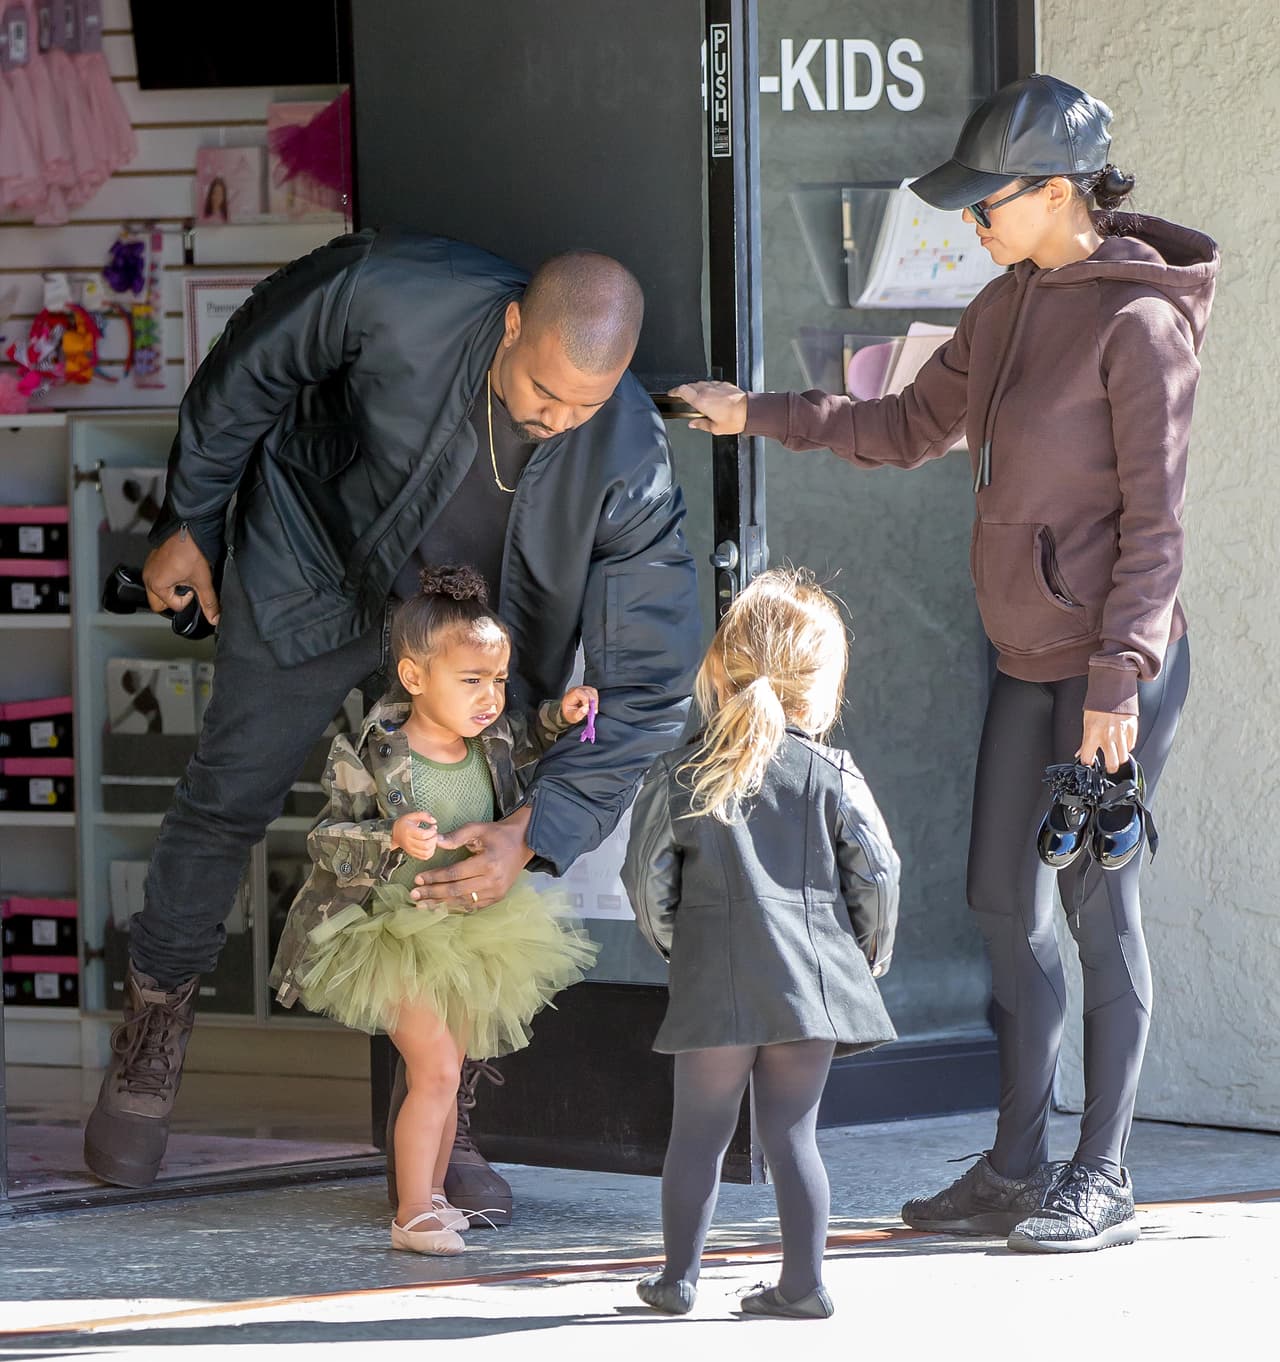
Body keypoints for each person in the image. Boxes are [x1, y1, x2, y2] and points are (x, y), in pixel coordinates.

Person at [673, 74, 1217, 1254]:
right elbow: (904, 428)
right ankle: (1016, 1163)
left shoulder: (1140, 325)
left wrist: (1117, 681)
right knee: (996, 903)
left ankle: (1103, 1172)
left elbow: (1156, 532)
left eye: (987, 203)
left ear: (1059, 192)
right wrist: (754, 414)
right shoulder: (1010, 303)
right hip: (1027, 657)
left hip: (1110, 671)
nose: (970, 224)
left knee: (1092, 904)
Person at [83, 234, 703, 1222]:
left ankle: (440, 1103)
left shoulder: (627, 456)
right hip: (313, 558)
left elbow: (650, 675)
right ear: (512, 326)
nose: (555, 421)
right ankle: (155, 1023)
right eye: (543, 392)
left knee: (459, 828)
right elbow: (252, 365)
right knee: (229, 791)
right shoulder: (393, 295)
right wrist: (191, 518)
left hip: (468, 639)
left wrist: (538, 830)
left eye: (584, 405)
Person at [271, 565, 599, 1254]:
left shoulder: (492, 739)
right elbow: (326, 838)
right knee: (438, 1070)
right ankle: (411, 1211)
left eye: (499, 680)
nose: (490, 698)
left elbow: (526, 738)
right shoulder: (376, 751)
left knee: (451, 1071)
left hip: (470, 928)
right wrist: (387, 836)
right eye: (471, 681)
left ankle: (435, 1197)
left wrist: (558, 716)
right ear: (416, 679)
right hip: (391, 926)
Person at [622, 568, 899, 1318]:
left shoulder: (681, 772)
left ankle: (677, 1280)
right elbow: (876, 870)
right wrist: (865, 954)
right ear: (820, 685)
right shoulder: (833, 772)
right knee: (792, 1136)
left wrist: (683, 948)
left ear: (720, 665)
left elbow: (645, 879)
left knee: (698, 1136)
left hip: (715, 978)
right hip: (809, 982)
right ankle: (803, 1285)